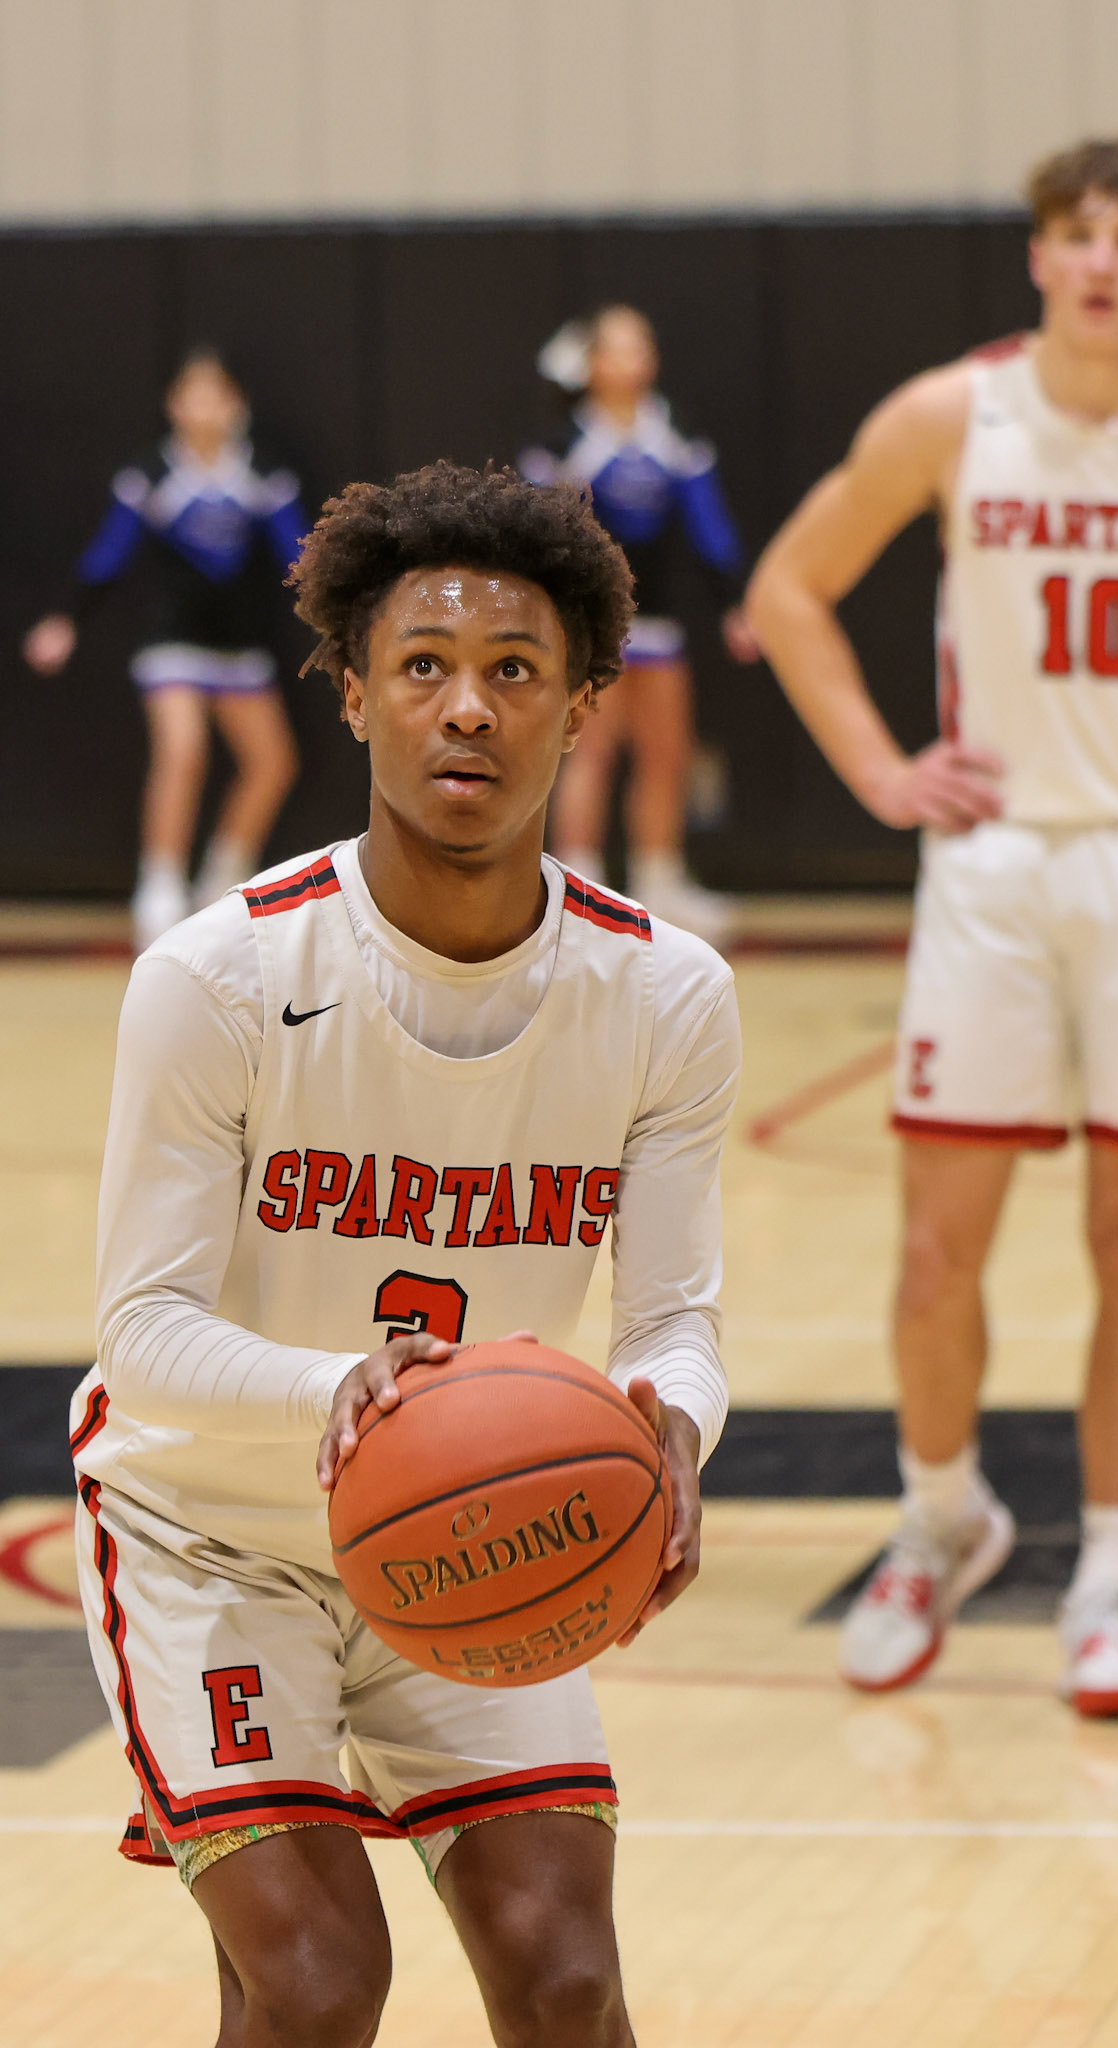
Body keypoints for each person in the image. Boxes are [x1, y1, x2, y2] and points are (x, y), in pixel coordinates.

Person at [70, 460, 739, 2047]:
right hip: (209, 1533)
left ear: (584, 706)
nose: (467, 711)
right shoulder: (219, 979)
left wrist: (673, 1432)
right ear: (351, 696)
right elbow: (140, 1328)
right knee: (314, 1983)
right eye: (422, 668)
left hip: (472, 1541)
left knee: (565, 1979)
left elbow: (676, 1320)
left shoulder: (666, 997)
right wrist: (342, 1392)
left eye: (514, 673)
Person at [747, 136, 1118, 1716]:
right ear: (1039, 259)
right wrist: (884, 768)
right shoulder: (956, 412)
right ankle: (940, 1517)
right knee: (937, 1249)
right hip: (996, 865)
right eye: (1077, 234)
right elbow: (790, 588)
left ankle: (1111, 1581)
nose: (1102, 260)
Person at [24, 348, 306, 952]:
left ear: (238, 406)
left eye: (217, 395)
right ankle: (159, 889)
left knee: (272, 764)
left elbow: (297, 553)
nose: (204, 407)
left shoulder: (261, 471)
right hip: (173, 641)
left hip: (241, 645)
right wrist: (66, 618)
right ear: (173, 406)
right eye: (192, 394)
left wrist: (338, 611)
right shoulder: (153, 473)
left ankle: (223, 883)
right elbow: (109, 553)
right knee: (183, 751)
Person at [522, 304, 761, 944]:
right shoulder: (565, 444)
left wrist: (733, 600)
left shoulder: (672, 432)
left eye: (641, 346)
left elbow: (709, 523)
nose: (632, 360)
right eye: (617, 349)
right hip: (587, 623)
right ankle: (575, 885)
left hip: (656, 620)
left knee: (667, 752)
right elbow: (539, 535)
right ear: (591, 364)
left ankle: (661, 881)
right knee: (591, 751)